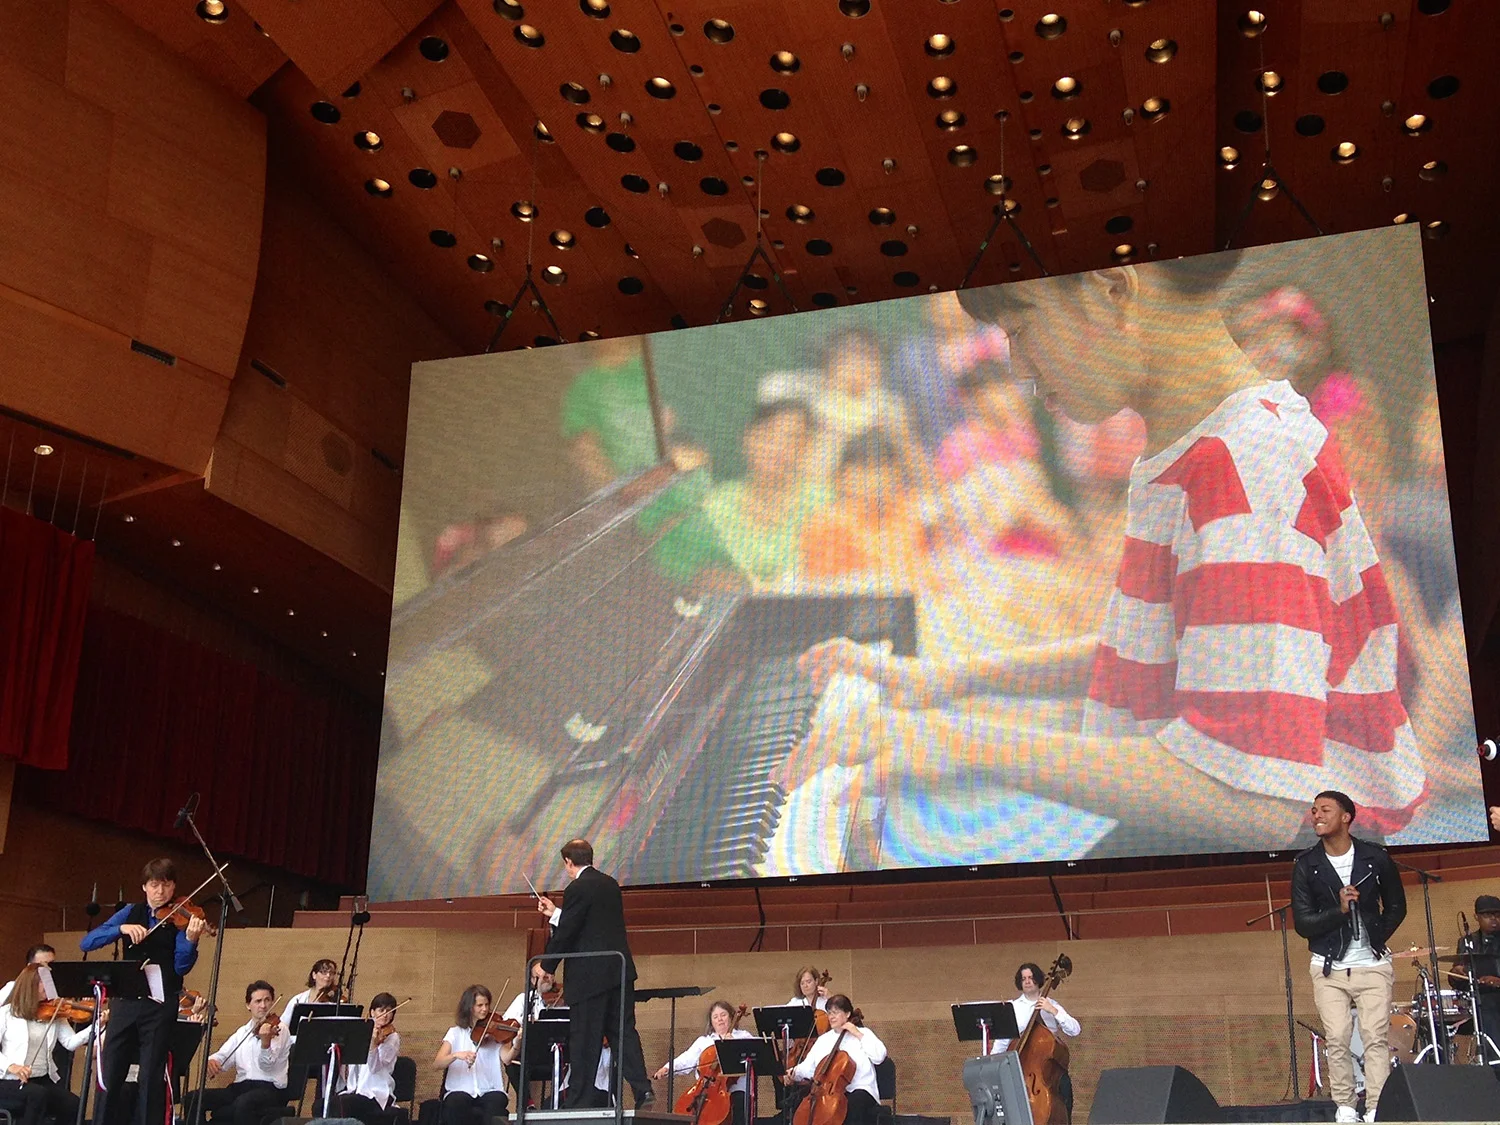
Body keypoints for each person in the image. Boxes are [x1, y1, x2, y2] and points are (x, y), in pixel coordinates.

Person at [789, 255, 1427, 856]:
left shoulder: (1242, 468)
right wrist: (946, 683)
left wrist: (949, 739)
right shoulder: (1222, 438)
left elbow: (1250, 795)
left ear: (1111, 290)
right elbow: (1177, 655)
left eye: (1021, 326)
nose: (1017, 364)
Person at [1292, 791, 1406, 1123]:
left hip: (1372, 965)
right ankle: (1345, 1105)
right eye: (1314, 811)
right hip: (1329, 966)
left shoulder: (1376, 857)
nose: (1316, 815)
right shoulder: (1306, 865)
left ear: (1346, 817)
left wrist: (1375, 937)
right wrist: (1339, 912)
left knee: (1375, 1038)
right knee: (1338, 1036)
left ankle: (1375, 1108)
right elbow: (1303, 923)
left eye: (1325, 810)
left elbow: (1396, 906)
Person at [81, 858, 206, 1125]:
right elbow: (87, 942)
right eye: (154, 885)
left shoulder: (182, 920)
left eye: (166, 885)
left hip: (159, 1006)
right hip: (125, 1003)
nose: (160, 892)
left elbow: (181, 967)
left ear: (173, 888)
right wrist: (120, 929)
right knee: (111, 1073)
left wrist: (191, 941)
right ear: (144, 887)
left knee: (150, 1077)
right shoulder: (130, 912)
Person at [536, 839, 652, 1109]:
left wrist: (547, 965)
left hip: (590, 979)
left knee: (585, 1039)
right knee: (623, 1034)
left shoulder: (577, 887)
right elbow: (593, 925)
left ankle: (579, 1100)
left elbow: (570, 931)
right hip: (619, 972)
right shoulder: (610, 884)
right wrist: (556, 913)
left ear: (568, 862)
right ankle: (643, 1090)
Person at [702, 400, 827, 588]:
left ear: (807, 449)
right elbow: (708, 571)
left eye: (792, 440)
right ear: (748, 437)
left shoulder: (823, 502)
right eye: (768, 436)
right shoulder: (718, 503)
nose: (778, 448)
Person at [0, 963, 100, 1125]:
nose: (49, 986)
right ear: (31, 985)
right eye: (44, 982)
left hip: (41, 1079)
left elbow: (70, 1043)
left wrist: (97, 1025)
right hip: (9, 1080)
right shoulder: (6, 1013)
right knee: (37, 1095)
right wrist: (12, 1066)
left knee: (73, 1104)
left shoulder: (55, 1014)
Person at [181, 981, 290, 1125]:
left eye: (267, 1000)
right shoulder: (242, 1032)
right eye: (258, 1001)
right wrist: (212, 1060)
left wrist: (265, 1043)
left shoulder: (280, 1029)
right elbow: (223, 1055)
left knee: (244, 1103)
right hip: (241, 1087)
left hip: (270, 1088)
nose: (263, 1006)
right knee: (193, 1098)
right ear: (248, 1005)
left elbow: (267, 1067)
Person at [986, 963, 1081, 1120]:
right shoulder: (1013, 1007)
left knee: (1065, 1093)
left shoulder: (1051, 1004)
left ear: (1038, 979)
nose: (1027, 981)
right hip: (1022, 1073)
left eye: (1031, 977)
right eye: (1023, 979)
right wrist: (992, 1066)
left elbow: (1075, 1030)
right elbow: (1003, 1042)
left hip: (1052, 1074)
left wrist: (1053, 1011)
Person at [784, 995, 886, 1125]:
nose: (831, 1017)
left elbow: (880, 1056)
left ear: (848, 1013)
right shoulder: (824, 1040)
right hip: (829, 1093)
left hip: (860, 1089)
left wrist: (857, 1033)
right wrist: (793, 1072)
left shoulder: (862, 1033)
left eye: (835, 1012)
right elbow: (808, 1067)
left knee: (854, 1104)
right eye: (829, 1013)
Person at [653, 1002, 753, 1125]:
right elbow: (686, 1059)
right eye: (715, 1017)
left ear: (731, 1017)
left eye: (723, 1015)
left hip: (734, 1088)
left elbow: (754, 1060)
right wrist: (667, 1068)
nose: (720, 1019)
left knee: (739, 1102)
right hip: (705, 1086)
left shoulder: (743, 1036)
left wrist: (734, 1047)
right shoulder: (704, 1041)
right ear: (711, 1022)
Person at [433, 985, 509, 1125]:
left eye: (487, 1004)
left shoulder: (493, 1034)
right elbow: (437, 1063)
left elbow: (507, 1058)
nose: (485, 1009)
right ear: (469, 1007)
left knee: (497, 1100)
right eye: (480, 1005)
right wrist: (456, 1055)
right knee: (456, 1101)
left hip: (488, 1089)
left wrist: (516, 1043)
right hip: (460, 1090)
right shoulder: (455, 1033)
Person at [1450, 895, 1500, 1061]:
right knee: (1436, 1021)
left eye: (1497, 915)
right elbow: (1455, 982)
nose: (1494, 919)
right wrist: (1457, 974)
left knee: (1487, 1010)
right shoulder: (1466, 942)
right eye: (1487, 915)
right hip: (1474, 1001)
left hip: (1493, 1000)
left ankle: (1493, 1065)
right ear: (1476, 917)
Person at [339, 993, 400, 1124]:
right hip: (357, 1089)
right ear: (372, 1012)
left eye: (389, 1011)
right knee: (325, 1104)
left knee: (346, 1103)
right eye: (381, 1010)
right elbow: (351, 1066)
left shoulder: (392, 1037)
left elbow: (374, 1068)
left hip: (377, 1092)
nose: (385, 1014)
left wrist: (373, 1045)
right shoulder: (362, 1032)